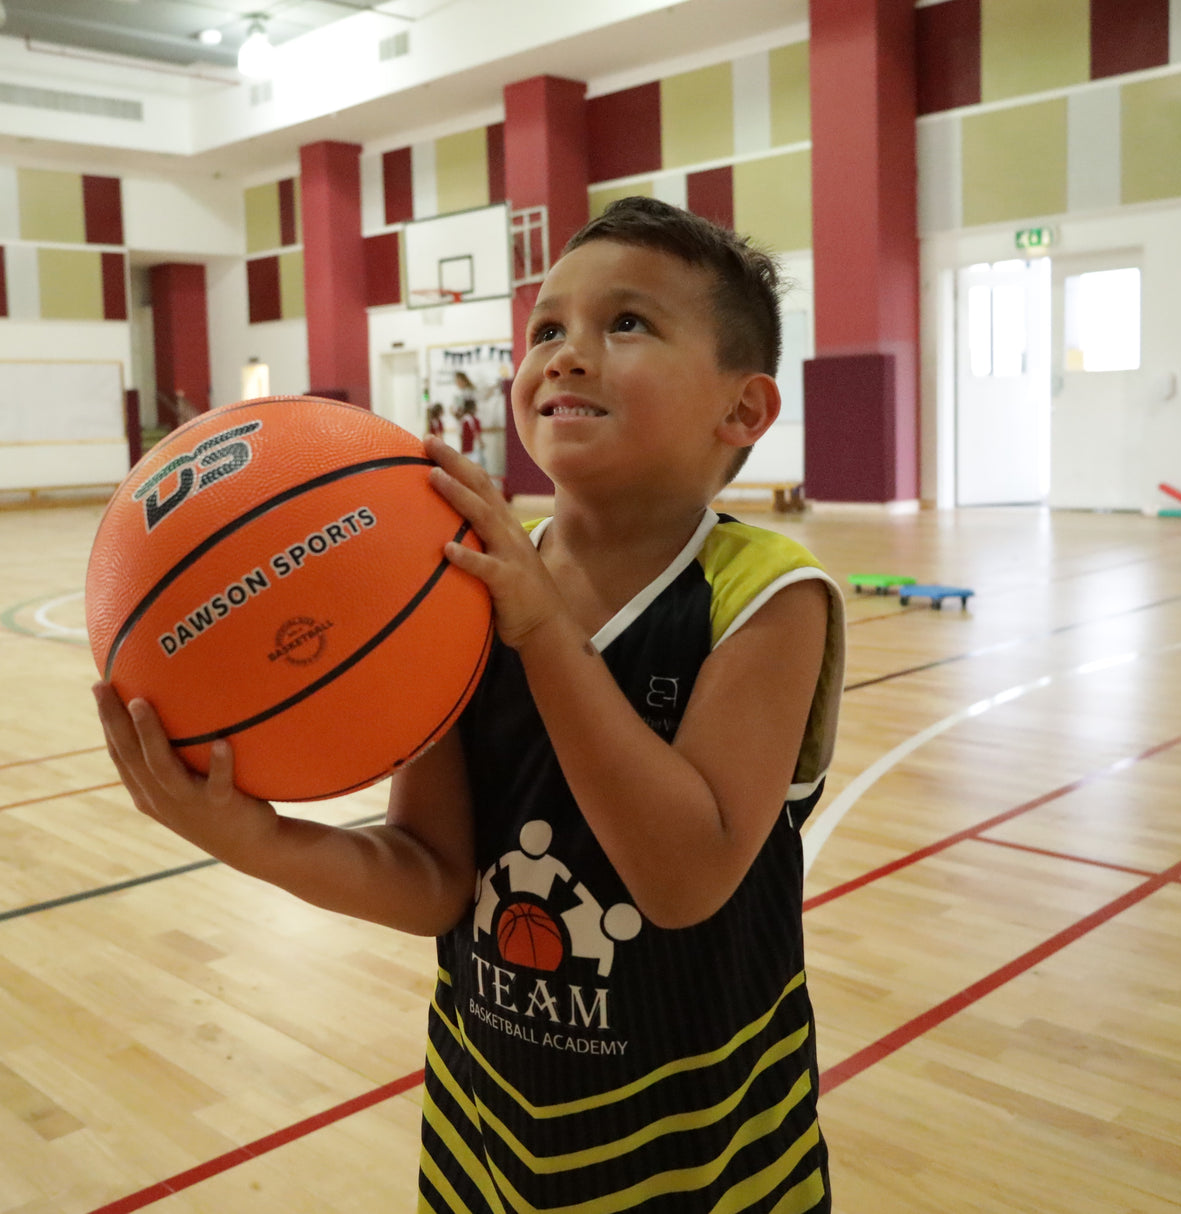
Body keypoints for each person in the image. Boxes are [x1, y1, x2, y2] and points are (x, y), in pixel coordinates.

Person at [94, 195, 847, 1212]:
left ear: (743, 410)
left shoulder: (765, 596)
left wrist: (539, 629)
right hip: (486, 1113)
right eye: (547, 328)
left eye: (625, 322)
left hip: (699, 1134)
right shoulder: (453, 593)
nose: (567, 353)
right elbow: (432, 876)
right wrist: (251, 837)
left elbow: (683, 876)